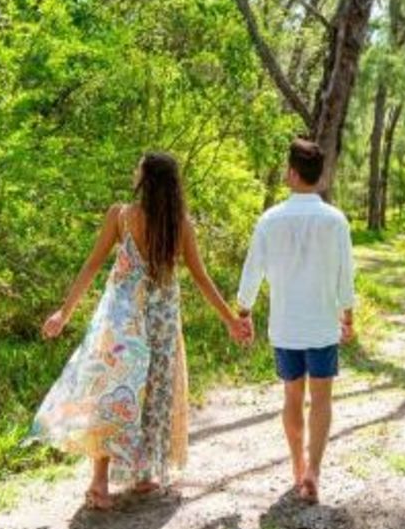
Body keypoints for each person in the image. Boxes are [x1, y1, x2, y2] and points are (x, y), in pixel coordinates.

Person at [32, 152, 251, 510]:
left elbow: (92, 264)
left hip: (123, 318)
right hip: (162, 319)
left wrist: (65, 312)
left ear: (145, 180)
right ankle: (145, 472)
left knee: (112, 390)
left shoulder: (122, 216)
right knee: (155, 389)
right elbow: (200, 277)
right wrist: (230, 320)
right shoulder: (180, 224)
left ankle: (100, 483)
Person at [235, 137, 356, 504]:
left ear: (290, 173)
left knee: (292, 395)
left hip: (285, 326)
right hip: (321, 325)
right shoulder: (335, 221)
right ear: (320, 177)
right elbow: (344, 274)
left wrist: (244, 311)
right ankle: (314, 472)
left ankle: (296, 467)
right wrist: (347, 316)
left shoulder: (270, 219)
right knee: (321, 399)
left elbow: (252, 270)